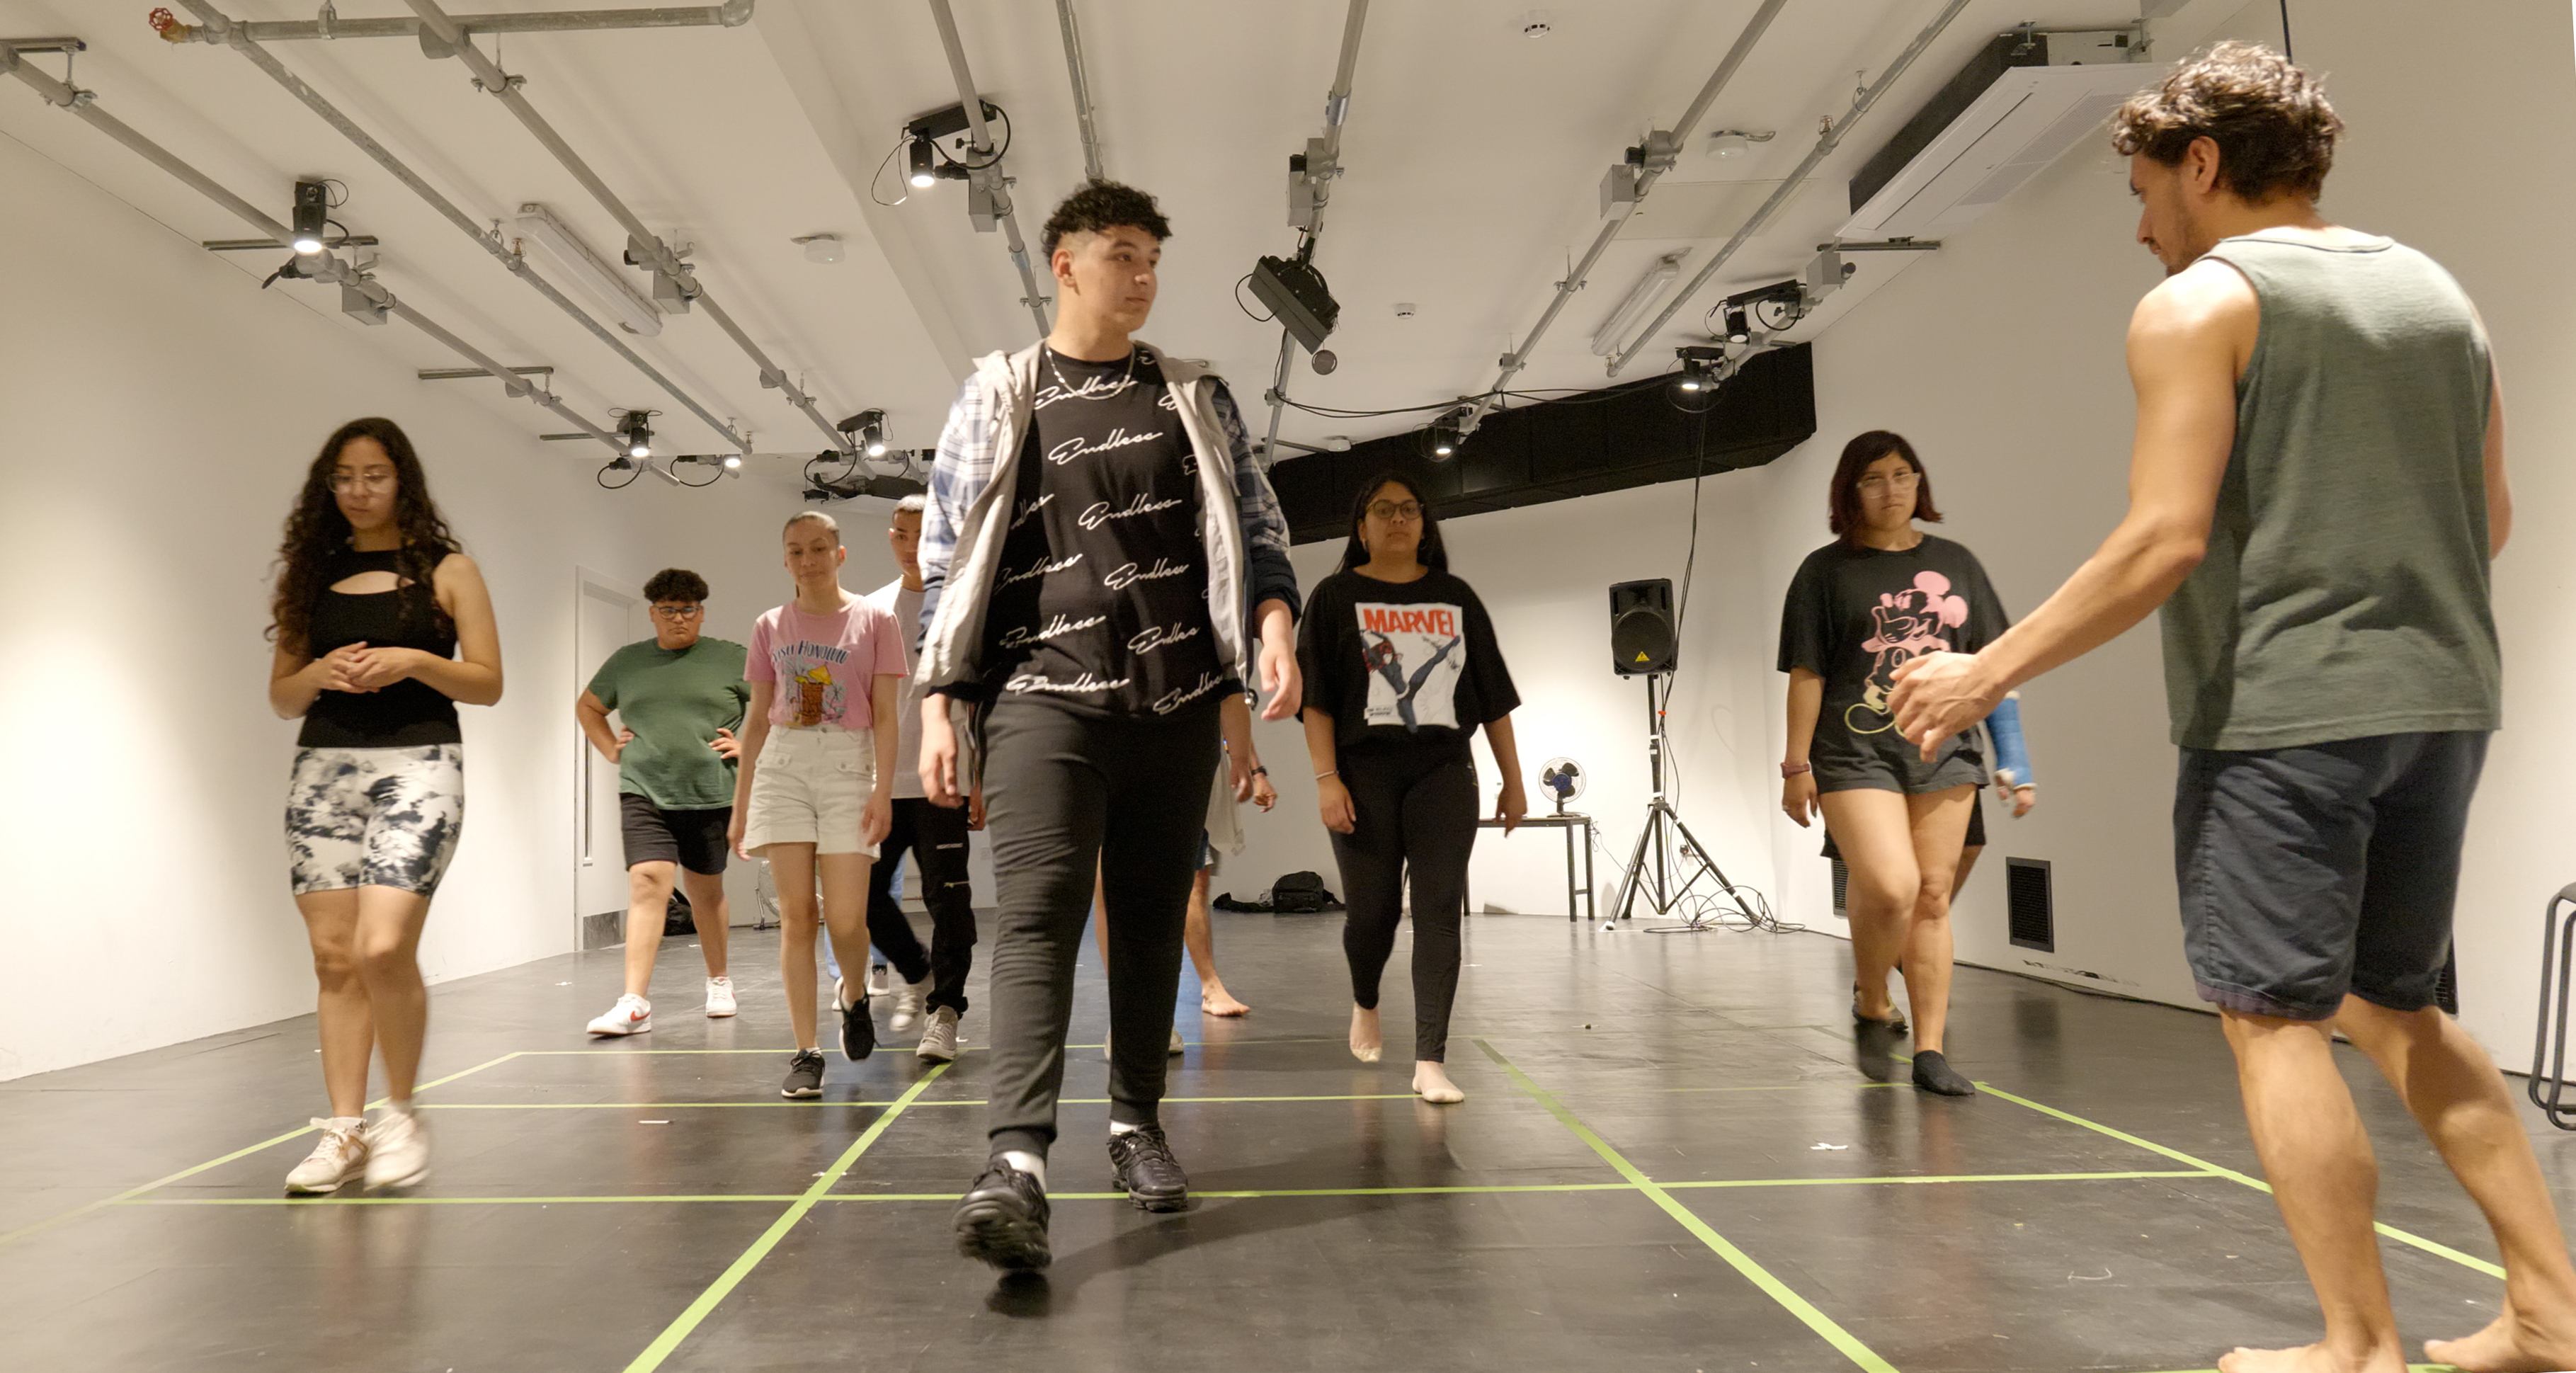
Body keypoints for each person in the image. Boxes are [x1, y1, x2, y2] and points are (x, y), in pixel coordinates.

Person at [1887, 43, 2575, 1373]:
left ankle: (2357, 1340)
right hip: (2441, 701)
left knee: (2271, 1018)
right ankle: (2549, 1312)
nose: (2141, 226)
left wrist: (1985, 669)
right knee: (2399, 1009)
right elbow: (2484, 518)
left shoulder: (2201, 302)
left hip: (2279, 716)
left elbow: (2160, 542)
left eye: (2144, 189)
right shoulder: (2437, 297)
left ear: (2200, 163)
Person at [916, 181, 1303, 1271]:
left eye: (1151, 261)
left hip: (1174, 701)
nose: (1141, 278)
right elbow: (947, 561)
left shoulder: (1192, 395)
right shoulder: (1001, 391)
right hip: (1041, 694)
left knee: (1143, 918)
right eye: (1121, 255)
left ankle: (1135, 1120)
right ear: (1064, 263)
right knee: (1035, 912)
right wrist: (941, 699)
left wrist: (1272, 623)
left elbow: (1257, 533)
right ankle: (1016, 1161)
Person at [268, 418, 502, 1192]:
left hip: (420, 764)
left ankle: (401, 1112)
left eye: (374, 475)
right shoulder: (308, 574)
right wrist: (321, 673)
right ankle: (344, 1131)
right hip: (323, 769)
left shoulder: (448, 569)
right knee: (334, 959)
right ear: (325, 486)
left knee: (380, 947)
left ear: (402, 479)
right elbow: (282, 694)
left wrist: (416, 660)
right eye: (343, 477)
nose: (359, 490)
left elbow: (488, 681)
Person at [1776, 432, 2008, 1098]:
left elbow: (1991, 665)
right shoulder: (1825, 571)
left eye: (1903, 474)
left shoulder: (1957, 562)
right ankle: (1874, 994)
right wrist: (1797, 768)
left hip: (1944, 749)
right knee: (1890, 885)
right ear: (1850, 491)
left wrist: (2011, 755)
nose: (1892, 488)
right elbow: (1807, 673)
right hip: (1855, 748)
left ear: (1920, 482)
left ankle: (1931, 1049)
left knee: (1933, 894)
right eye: (1874, 478)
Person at [1298, 472, 1525, 1106]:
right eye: (1383, 509)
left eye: (1409, 509)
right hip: (1362, 775)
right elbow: (1315, 699)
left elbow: (1494, 695)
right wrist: (1326, 779)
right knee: (1372, 913)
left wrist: (1512, 778)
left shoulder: (1456, 597)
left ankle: (1430, 1058)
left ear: (1425, 523)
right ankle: (1366, 1000)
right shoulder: (1334, 596)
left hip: (1444, 773)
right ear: (1361, 525)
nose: (1397, 519)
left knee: (1437, 912)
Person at [729, 512, 907, 1100]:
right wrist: (741, 801)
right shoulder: (769, 624)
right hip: (782, 765)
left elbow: (885, 713)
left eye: (819, 548)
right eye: (796, 550)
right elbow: (756, 719)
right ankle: (806, 1050)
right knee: (798, 914)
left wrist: (882, 789)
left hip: (847, 766)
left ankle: (853, 993)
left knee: (848, 918)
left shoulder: (876, 619)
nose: (808, 560)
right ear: (785, 560)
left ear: (840, 553)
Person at [576, 568, 748, 1037]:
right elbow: (588, 706)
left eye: (688, 609)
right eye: (669, 610)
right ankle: (634, 1001)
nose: (679, 618)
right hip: (644, 788)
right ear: (652, 613)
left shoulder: (730, 658)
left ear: (702, 612)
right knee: (648, 883)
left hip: (710, 791)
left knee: (706, 892)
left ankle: (719, 981)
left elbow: (775, 705)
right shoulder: (627, 662)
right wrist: (612, 748)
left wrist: (747, 743)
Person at [1091, 693, 1280, 1052]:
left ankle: (1159, 1015)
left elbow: (1226, 688)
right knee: (1112, 882)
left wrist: (1249, 764)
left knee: (1180, 886)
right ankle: (1129, 1018)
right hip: (1110, 747)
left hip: (1182, 760)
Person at [863, 495, 982, 1062]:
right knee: (860, 893)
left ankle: (946, 1012)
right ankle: (915, 969)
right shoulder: (870, 611)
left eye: (924, 535)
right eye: (903, 535)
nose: (913, 547)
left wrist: (980, 777)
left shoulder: (963, 607)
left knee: (949, 901)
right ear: (891, 538)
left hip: (945, 783)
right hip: (879, 784)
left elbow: (980, 703)